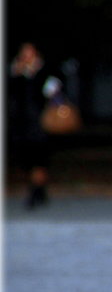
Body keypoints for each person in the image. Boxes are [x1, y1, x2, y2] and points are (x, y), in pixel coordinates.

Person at [7, 43, 61, 209]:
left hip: (41, 121)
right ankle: (39, 189)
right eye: (24, 52)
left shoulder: (45, 72)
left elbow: (54, 93)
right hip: (20, 122)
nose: (26, 56)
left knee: (39, 156)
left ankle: (34, 191)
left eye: (29, 52)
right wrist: (17, 73)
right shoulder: (15, 72)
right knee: (26, 158)